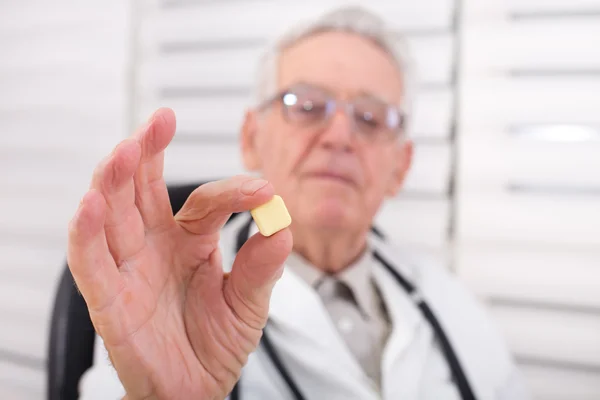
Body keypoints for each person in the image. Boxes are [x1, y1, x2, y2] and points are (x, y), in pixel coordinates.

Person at [67, 6, 530, 400]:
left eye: (370, 118)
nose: (340, 136)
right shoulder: (170, 301)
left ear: (401, 167)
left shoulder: (451, 306)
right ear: (252, 138)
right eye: (307, 106)